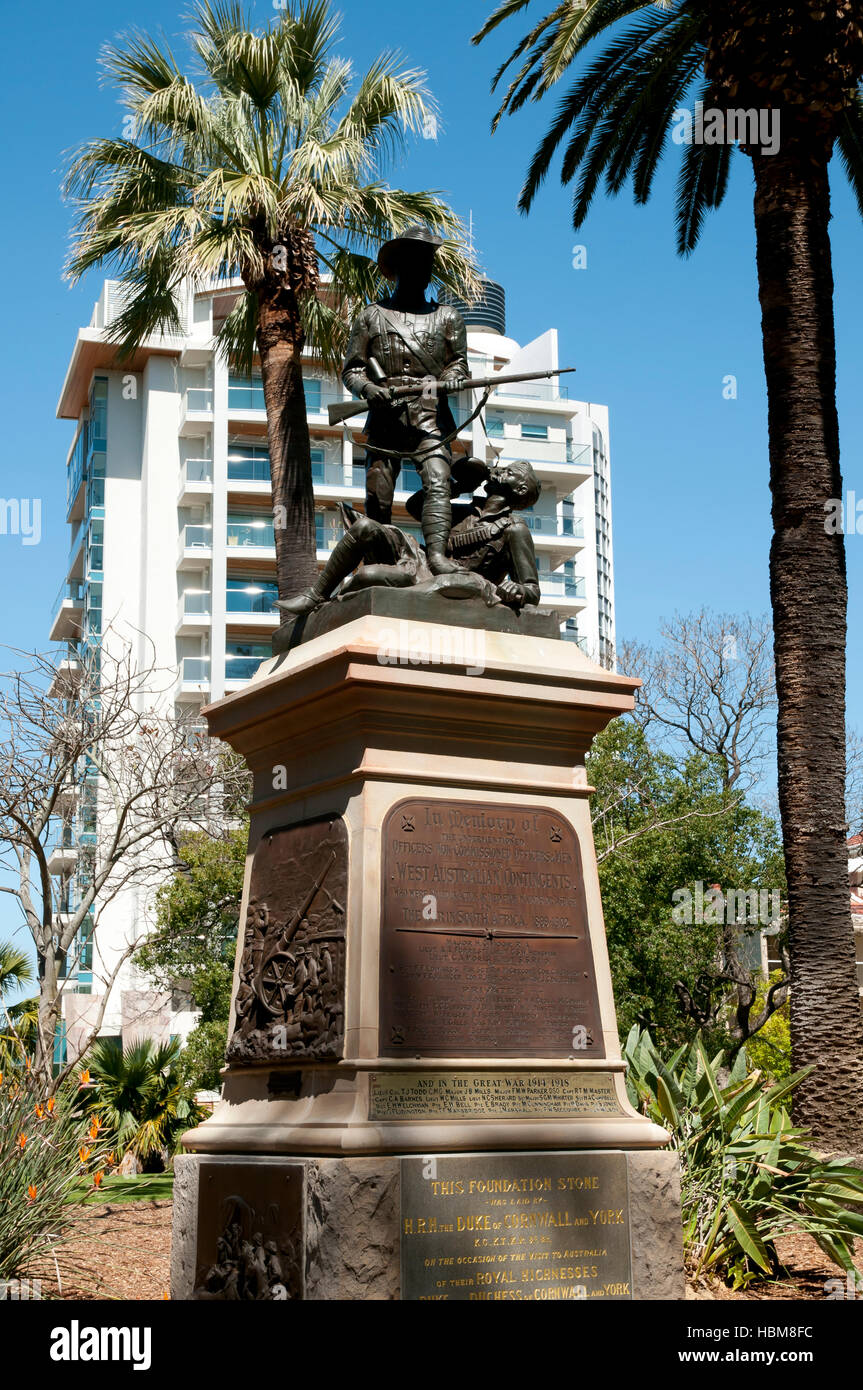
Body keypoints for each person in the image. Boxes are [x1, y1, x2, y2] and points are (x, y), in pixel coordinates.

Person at [341, 225, 469, 574]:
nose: (424, 269)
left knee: (439, 480)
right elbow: (352, 370)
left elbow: (459, 365)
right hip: (386, 418)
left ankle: (438, 557)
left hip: (431, 418)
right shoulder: (371, 316)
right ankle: (378, 563)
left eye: (428, 261)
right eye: (416, 261)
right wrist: (370, 390)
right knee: (378, 495)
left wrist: (453, 379)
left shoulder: (448, 317)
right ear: (398, 267)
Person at [275, 459, 542, 615]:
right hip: (423, 563)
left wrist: (517, 590)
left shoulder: (514, 529)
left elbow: (532, 589)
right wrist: (457, 485)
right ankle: (316, 595)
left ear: (519, 489)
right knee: (365, 526)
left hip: (455, 583)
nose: (499, 469)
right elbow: (417, 506)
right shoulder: (464, 511)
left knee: (368, 577)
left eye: (510, 472)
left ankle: (340, 607)